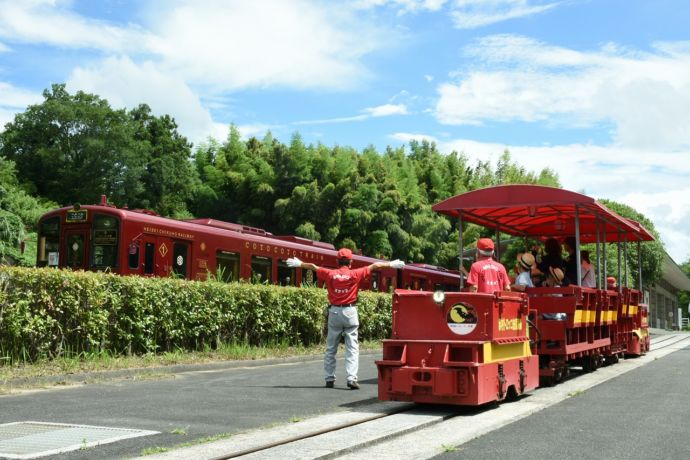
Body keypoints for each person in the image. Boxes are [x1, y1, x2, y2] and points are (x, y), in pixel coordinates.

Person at [286, 249, 404, 390]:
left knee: (331, 348)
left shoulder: (330, 273)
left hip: (334, 312)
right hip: (350, 311)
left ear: (337, 261)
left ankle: (329, 378)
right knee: (352, 348)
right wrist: (391, 264)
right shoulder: (355, 273)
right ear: (351, 262)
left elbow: (313, 266)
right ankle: (351, 379)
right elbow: (375, 266)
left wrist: (299, 264)